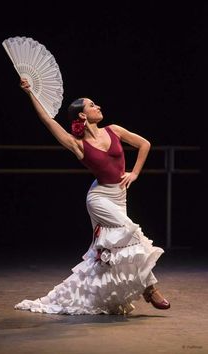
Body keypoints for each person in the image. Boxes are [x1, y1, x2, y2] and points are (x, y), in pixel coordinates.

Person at [14, 78, 170, 315]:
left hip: (120, 196)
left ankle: (101, 294)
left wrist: (135, 173)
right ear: (82, 116)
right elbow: (48, 120)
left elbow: (144, 144)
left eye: (95, 103)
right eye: (91, 105)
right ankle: (151, 290)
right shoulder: (76, 144)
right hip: (99, 198)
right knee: (132, 232)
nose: (98, 106)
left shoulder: (114, 130)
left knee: (111, 253)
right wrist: (30, 93)